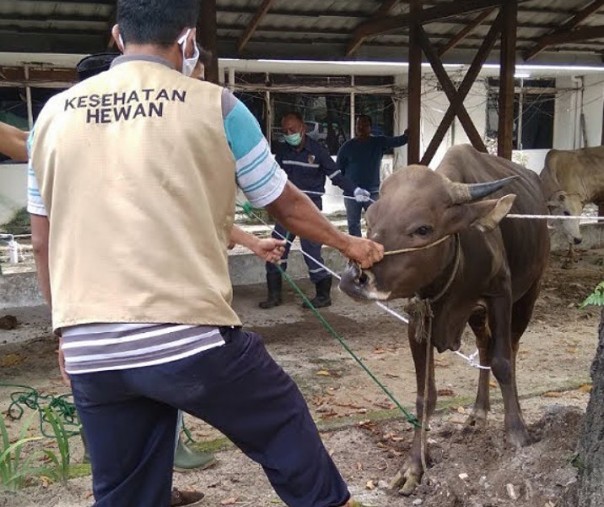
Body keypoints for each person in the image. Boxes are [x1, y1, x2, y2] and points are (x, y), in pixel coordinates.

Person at [27, 3, 383, 507]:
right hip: (186, 339)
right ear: (189, 40)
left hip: (91, 350)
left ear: (116, 35)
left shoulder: (51, 117)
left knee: (126, 492)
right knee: (282, 420)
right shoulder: (216, 106)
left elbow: (42, 242)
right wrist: (350, 243)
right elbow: (282, 201)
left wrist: (66, 331)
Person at [259, 111, 372, 310]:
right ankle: (274, 295)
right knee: (276, 249)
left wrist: (354, 189)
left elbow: (336, 176)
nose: (289, 133)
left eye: (292, 129)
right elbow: (273, 178)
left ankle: (323, 296)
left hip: (310, 211)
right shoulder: (283, 152)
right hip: (285, 211)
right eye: (285, 131)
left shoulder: (318, 151)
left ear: (303, 128)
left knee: (311, 252)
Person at [336, 114, 409, 237]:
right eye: (358, 125)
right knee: (353, 224)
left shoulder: (378, 142)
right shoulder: (347, 147)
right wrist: (348, 186)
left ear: (370, 127)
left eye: (364, 125)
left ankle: (373, 248)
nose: (361, 127)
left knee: (376, 223)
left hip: (372, 192)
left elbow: (398, 141)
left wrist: (407, 135)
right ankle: (357, 253)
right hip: (352, 194)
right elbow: (338, 170)